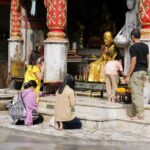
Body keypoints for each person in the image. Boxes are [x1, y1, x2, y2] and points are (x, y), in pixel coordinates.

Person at [125, 29, 149, 120]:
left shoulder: (133, 47)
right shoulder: (146, 46)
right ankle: (132, 114)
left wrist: (128, 76)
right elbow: (148, 59)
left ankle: (140, 114)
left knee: (136, 94)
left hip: (137, 72)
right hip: (144, 72)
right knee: (137, 92)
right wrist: (146, 71)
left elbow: (133, 62)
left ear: (132, 37)